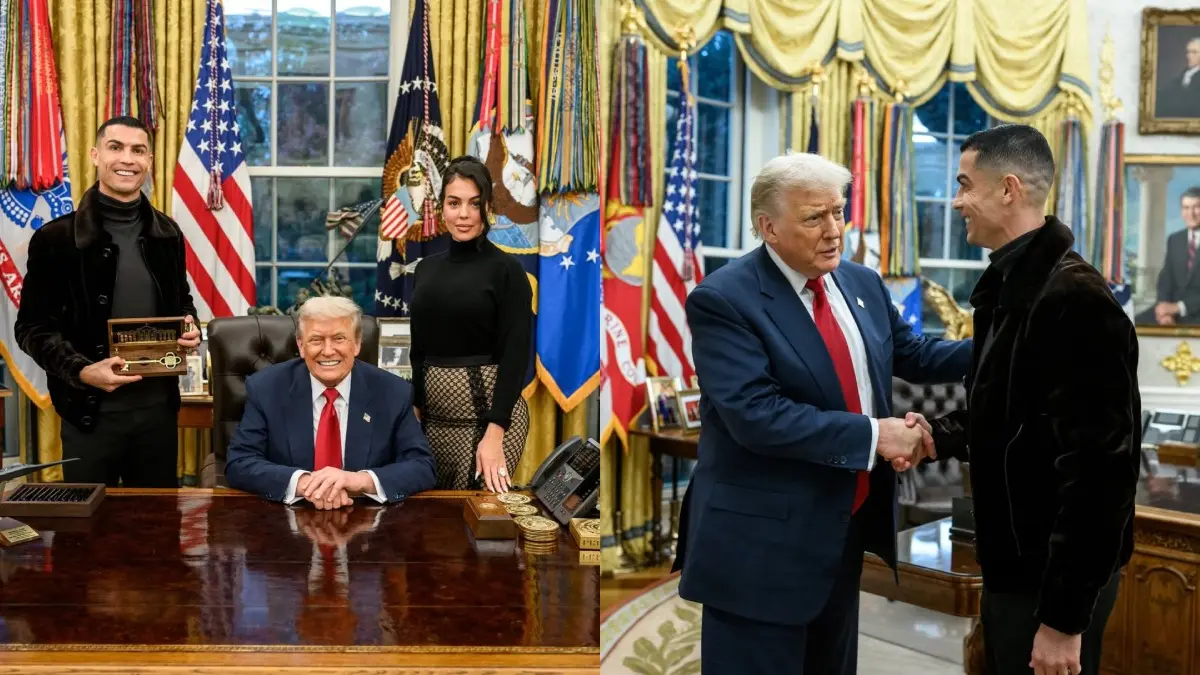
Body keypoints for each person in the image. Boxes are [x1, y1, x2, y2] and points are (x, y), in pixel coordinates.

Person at [676, 151, 972, 675]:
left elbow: (916, 356)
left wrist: (1010, 338)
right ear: (768, 226)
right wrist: (874, 436)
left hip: (840, 527)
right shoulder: (723, 299)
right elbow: (756, 415)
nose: (834, 229)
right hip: (759, 547)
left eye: (838, 211)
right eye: (815, 217)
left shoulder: (860, 283)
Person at [919, 124, 1140, 675]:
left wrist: (1064, 621)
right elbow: (1007, 416)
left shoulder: (1075, 299)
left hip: (1052, 583)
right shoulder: (1013, 287)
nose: (956, 200)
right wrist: (934, 435)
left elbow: (1101, 476)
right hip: (1016, 570)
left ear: (1008, 189)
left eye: (966, 184)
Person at [15, 115, 201, 487]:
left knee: (155, 533)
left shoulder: (167, 234)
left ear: (149, 161)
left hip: (157, 417)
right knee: (87, 537)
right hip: (88, 413)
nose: (127, 159)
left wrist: (189, 324)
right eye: (116, 148)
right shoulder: (56, 239)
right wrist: (83, 371)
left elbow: (182, 301)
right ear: (96, 155)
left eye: (138, 150)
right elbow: (32, 329)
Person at [224, 296, 436, 509]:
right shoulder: (267, 388)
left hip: (366, 523)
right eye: (316, 340)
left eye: (339, 338)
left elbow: (421, 466)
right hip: (287, 520)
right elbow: (240, 462)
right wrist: (305, 483)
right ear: (300, 345)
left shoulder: (392, 392)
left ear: (357, 344)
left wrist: (358, 481)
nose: (327, 351)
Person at [409, 155, 532, 494]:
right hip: (430, 423)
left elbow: (515, 355)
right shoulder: (425, 270)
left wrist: (495, 434)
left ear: (488, 208)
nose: (463, 214)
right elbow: (418, 351)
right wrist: (413, 413)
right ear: (441, 206)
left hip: (490, 423)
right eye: (454, 203)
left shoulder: (508, 271)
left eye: (474, 204)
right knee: (427, 526)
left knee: (473, 526)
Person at [1138, 186, 1200, 325]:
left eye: (1196, 207)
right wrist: (1163, 309)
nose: (1190, 213)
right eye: (1185, 207)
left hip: (1195, 311)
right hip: (1171, 309)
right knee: (1132, 324)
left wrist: (1179, 308)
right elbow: (1166, 278)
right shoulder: (1175, 239)